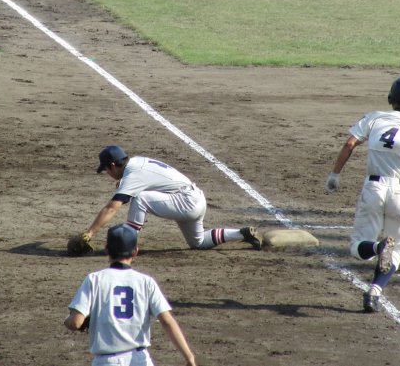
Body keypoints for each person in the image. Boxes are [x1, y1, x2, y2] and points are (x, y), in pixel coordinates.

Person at [324, 76, 400, 313]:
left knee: (358, 247)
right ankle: (374, 292)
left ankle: (378, 248)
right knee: (395, 252)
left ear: (391, 98)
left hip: (374, 190)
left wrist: (335, 174)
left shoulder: (375, 117)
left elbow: (349, 144)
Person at [79, 145, 262, 251]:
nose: (107, 173)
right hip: (196, 198)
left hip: (185, 202)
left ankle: (128, 244)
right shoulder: (138, 161)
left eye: (106, 170)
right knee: (198, 243)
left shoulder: (133, 175)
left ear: (112, 165)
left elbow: (112, 208)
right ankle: (242, 233)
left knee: (140, 198)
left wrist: (89, 233)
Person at [65, 224, 197, 366]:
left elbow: (75, 322)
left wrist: (69, 320)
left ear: (106, 249)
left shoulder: (94, 279)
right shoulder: (146, 282)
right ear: (135, 252)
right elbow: (167, 321)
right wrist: (189, 357)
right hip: (140, 359)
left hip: (107, 361)